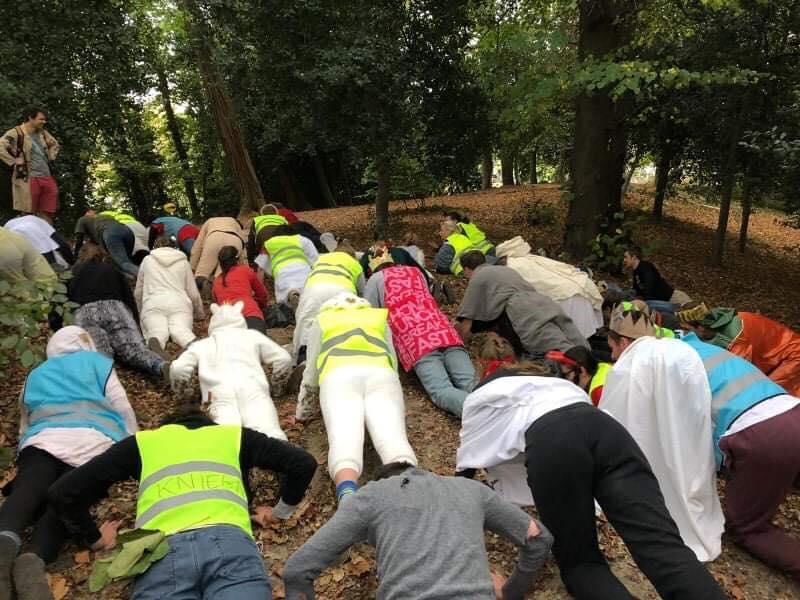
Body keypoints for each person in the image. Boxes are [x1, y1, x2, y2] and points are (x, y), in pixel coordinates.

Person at [456, 366, 727, 600]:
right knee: (661, 545)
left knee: (581, 564)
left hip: (556, 443)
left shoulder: (482, 399)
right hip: (608, 431)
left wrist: (456, 503)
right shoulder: (554, 385)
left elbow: (468, 457)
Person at [48, 405, 317, 600]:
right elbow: (302, 463)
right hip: (230, 544)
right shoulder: (233, 436)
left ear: (167, 425)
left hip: (159, 552)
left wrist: (95, 539)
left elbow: (64, 491)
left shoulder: (142, 443)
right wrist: (279, 512)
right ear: (207, 423)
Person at [0, 326, 137, 600]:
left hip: (43, 441)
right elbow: (121, 405)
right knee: (64, 502)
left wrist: (23, 450)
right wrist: (131, 444)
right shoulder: (98, 363)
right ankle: (34, 558)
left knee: (25, 492)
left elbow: (25, 419)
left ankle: (3, 546)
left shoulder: (37, 373)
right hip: (92, 444)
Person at [283, 462, 554, 600]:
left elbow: (296, 569)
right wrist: (510, 592)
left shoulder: (373, 495)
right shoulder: (470, 489)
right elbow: (538, 538)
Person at [600, 307, 724, 562]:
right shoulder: (681, 350)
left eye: (612, 346)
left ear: (623, 341)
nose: (613, 354)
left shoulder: (628, 365)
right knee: (682, 457)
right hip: (690, 444)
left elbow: (613, 422)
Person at [682, 331, 800, 583]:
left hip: (764, 435)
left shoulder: (672, 364)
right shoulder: (705, 349)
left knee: (748, 528)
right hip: (792, 410)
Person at [295, 292, 417, 502]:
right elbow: (391, 358)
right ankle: (411, 494)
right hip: (381, 374)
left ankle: (348, 497)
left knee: (344, 438)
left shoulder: (322, 320)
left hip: (338, 376)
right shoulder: (377, 316)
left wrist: (302, 412)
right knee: (393, 439)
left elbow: (312, 373)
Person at [364, 253, 475, 417]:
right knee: (470, 382)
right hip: (443, 331)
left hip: (417, 341)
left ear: (371, 269)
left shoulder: (375, 279)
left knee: (442, 390)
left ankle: (482, 415)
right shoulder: (415, 272)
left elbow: (370, 314)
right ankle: (499, 407)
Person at [171, 302, 292, 440]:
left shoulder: (202, 344)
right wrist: (277, 387)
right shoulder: (252, 336)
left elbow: (177, 368)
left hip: (214, 395)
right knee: (270, 436)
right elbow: (284, 359)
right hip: (253, 387)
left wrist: (185, 395)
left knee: (225, 441)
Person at [455, 251, 588, 358]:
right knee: (575, 341)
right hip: (542, 302)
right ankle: (592, 365)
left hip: (523, 310)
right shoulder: (504, 270)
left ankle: (580, 375)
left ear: (466, 269)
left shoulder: (477, 277)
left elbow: (467, 319)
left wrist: (460, 347)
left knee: (555, 347)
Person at [68, 244, 168, 378]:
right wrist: (136, 324)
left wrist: (58, 327)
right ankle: (159, 365)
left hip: (85, 311)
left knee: (97, 351)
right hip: (116, 307)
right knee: (134, 349)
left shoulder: (71, 272)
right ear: (101, 256)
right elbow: (129, 298)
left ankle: (105, 378)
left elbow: (59, 301)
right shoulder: (111, 269)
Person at [677, 302, 800, 397]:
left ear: (700, 328)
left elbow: (739, 375)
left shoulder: (737, 339)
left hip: (792, 356)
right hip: (777, 355)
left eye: (689, 330)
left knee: (768, 395)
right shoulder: (726, 319)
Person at [495, 236, 603, 338]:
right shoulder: (530, 258)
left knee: (573, 342)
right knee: (581, 339)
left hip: (566, 298)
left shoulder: (513, 266)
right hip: (579, 291)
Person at [292, 241, 364, 363]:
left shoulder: (321, 260)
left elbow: (307, 283)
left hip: (314, 291)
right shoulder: (355, 264)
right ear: (352, 255)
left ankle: (303, 360)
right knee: (341, 327)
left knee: (307, 325)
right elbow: (362, 291)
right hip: (343, 291)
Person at [134, 236, 204, 354]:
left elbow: (138, 291)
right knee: (181, 330)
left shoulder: (147, 261)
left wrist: (139, 310)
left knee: (156, 330)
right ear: (174, 247)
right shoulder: (183, 261)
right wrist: (200, 314)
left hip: (153, 303)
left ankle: (156, 343)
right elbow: (193, 293)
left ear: (155, 247)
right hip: (179, 303)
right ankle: (191, 343)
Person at [0, 107, 60, 218]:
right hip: (27, 177)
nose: (44, 122)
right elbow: (1, 146)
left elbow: (55, 144)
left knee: (47, 213)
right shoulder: (16, 132)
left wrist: (50, 157)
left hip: (46, 176)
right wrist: (13, 161)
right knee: (27, 213)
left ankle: (45, 235)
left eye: (44, 119)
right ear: (30, 118)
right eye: (41, 119)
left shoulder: (42, 133)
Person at [257, 224, 318, 308]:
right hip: (303, 270)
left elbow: (261, 268)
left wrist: (258, 290)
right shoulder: (302, 240)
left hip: (282, 274)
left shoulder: (268, 244)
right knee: (308, 297)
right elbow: (315, 261)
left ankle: (292, 295)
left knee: (285, 302)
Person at [212, 246, 270, 333]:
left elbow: (217, 303)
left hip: (226, 323)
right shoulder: (246, 271)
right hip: (251, 316)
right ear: (237, 260)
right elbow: (262, 294)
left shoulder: (216, 281)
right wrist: (262, 306)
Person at [622, 246, 691, 312]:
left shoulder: (646, 267)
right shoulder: (636, 272)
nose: (624, 260)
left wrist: (642, 300)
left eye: (626, 257)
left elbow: (649, 286)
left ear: (633, 257)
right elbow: (637, 291)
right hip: (665, 305)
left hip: (676, 299)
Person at [73, 211, 141, 278]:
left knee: (124, 263)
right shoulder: (104, 217)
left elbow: (79, 238)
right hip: (127, 230)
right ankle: (132, 281)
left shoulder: (82, 219)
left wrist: (75, 256)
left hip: (111, 233)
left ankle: (148, 276)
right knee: (125, 262)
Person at [190, 213, 248, 290]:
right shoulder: (234, 221)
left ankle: (205, 290)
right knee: (222, 275)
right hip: (234, 239)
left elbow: (198, 246)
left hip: (214, 238)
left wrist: (192, 267)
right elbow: (243, 249)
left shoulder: (209, 221)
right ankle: (220, 290)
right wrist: (247, 271)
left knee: (201, 274)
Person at [547, 346, 611, 406]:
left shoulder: (597, 393)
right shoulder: (602, 366)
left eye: (566, 375)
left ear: (582, 371)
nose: (565, 380)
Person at [4, 215, 73, 268]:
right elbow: (62, 244)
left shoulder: (8, 224)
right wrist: (72, 262)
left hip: (16, 250)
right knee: (54, 270)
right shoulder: (39, 221)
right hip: (43, 249)